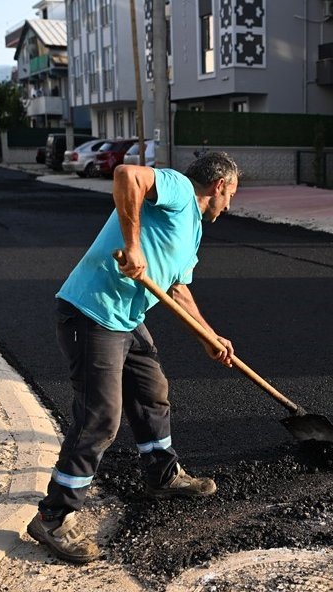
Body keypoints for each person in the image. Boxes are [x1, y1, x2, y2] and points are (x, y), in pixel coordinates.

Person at [28, 152, 242, 564]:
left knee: (151, 390)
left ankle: (162, 474)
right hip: (91, 314)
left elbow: (179, 291)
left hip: (126, 320)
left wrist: (208, 337)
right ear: (219, 186)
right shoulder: (179, 190)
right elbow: (127, 175)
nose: (230, 205)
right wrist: (131, 244)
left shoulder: (192, 231)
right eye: (231, 195)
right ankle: (54, 517)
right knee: (100, 417)